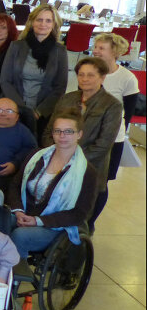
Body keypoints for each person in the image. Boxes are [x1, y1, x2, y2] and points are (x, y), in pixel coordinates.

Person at [43, 58, 122, 232]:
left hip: (90, 164)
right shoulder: (67, 99)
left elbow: (103, 144)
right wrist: (55, 155)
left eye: (91, 75)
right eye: (81, 75)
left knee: (80, 214)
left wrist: (72, 161)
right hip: (56, 161)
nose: (85, 79)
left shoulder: (112, 105)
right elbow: (50, 130)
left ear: (102, 78)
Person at [8, 108, 98, 258]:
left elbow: (79, 213)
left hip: (55, 226)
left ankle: (13, 277)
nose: (62, 136)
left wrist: (38, 221)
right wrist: (18, 211)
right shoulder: (36, 157)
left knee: (20, 235)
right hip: (23, 214)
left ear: (79, 134)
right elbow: (15, 185)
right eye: (58, 131)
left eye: (68, 131)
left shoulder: (88, 173)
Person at [0, 4, 68, 133]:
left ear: (54, 24)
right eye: (39, 19)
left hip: (43, 112)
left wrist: (38, 112)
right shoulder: (16, 46)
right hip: (14, 107)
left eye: (48, 20)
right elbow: (5, 80)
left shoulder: (60, 51)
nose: (43, 24)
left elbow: (60, 87)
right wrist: (20, 108)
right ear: (32, 22)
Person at [91, 34, 140, 186]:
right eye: (95, 47)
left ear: (114, 52)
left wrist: (117, 133)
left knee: (102, 181)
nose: (95, 51)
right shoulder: (89, 72)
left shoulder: (127, 78)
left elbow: (128, 112)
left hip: (112, 135)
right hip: (90, 131)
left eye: (101, 48)